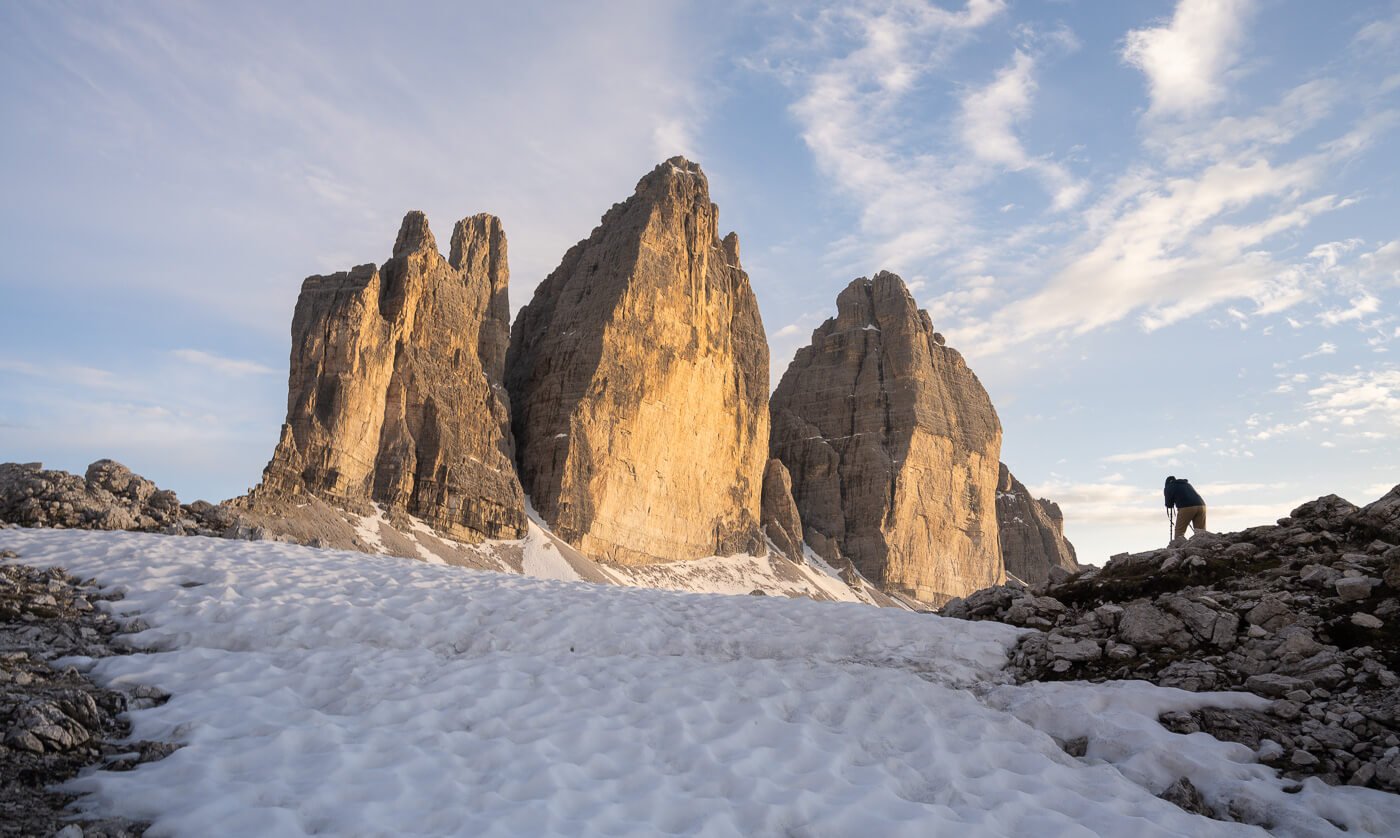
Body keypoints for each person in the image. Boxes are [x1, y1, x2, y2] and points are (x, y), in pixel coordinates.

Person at [1164, 475, 1208, 543]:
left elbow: (1169, 504)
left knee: (1179, 531)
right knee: (1200, 531)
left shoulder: (1169, 486)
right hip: (1201, 506)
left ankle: (1178, 546)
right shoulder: (1186, 484)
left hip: (1186, 507)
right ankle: (1204, 545)